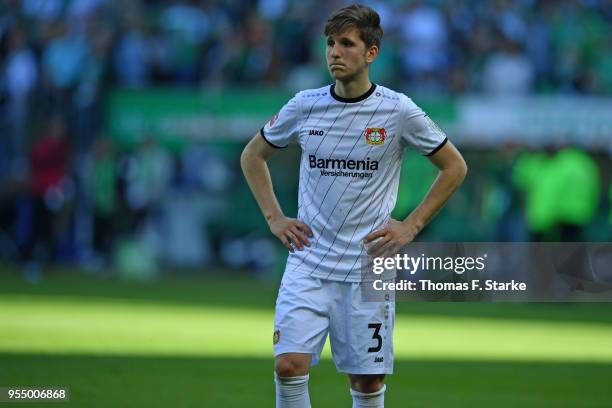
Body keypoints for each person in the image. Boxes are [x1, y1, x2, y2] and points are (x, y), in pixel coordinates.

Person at [240, 5, 467, 407]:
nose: (334, 52)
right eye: (330, 43)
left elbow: (454, 167)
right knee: (288, 365)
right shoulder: (304, 105)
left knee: (366, 381)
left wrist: (411, 227)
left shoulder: (398, 110)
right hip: (309, 261)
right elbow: (252, 155)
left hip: (368, 266)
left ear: (371, 54)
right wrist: (275, 218)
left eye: (346, 43)